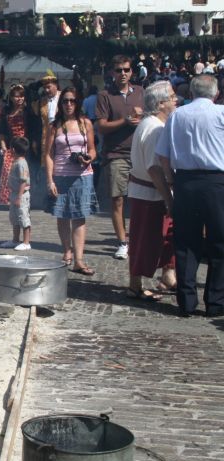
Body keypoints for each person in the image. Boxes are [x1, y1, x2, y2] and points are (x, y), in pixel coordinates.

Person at [155, 74, 224, 317]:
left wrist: (171, 179)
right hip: (216, 183)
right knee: (219, 242)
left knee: (185, 243)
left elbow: (162, 154)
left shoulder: (177, 116)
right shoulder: (221, 114)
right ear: (215, 94)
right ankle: (215, 301)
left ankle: (186, 301)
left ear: (191, 93)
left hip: (185, 182)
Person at [127, 81, 177, 302]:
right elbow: (154, 168)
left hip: (148, 192)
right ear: (161, 103)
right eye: (172, 97)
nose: (176, 100)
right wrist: (168, 197)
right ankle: (135, 285)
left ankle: (167, 274)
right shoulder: (154, 127)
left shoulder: (152, 124)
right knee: (144, 240)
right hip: (150, 194)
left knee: (163, 237)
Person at [95, 55, 145, 260]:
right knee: (117, 200)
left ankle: (139, 239)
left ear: (131, 71)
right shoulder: (105, 95)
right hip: (116, 154)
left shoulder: (141, 92)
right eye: (118, 70)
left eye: (126, 69)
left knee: (141, 199)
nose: (122, 73)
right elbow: (102, 126)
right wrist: (125, 121)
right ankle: (122, 241)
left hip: (140, 152)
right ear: (112, 73)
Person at [45, 87, 98, 276]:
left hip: (82, 175)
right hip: (61, 175)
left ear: (78, 103)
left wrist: (88, 158)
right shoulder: (54, 126)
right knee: (62, 215)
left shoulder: (86, 123)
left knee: (79, 216)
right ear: (60, 103)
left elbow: (92, 149)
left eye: (72, 100)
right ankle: (66, 250)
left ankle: (79, 260)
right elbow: (49, 154)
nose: (69, 104)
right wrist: (50, 180)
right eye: (65, 101)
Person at [0, 84, 34, 204]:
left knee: (23, 171)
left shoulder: (28, 111)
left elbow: (35, 128)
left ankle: (23, 196)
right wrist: (3, 145)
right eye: (17, 96)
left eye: (22, 96)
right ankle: (7, 197)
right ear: (12, 98)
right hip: (12, 145)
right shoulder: (6, 111)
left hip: (25, 145)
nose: (20, 99)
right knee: (8, 170)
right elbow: (2, 130)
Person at [0, 137, 32, 251]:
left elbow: (23, 181)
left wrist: (19, 197)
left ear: (13, 149)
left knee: (23, 217)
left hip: (21, 195)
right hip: (14, 193)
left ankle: (26, 242)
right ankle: (15, 240)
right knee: (14, 218)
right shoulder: (16, 161)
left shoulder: (21, 163)